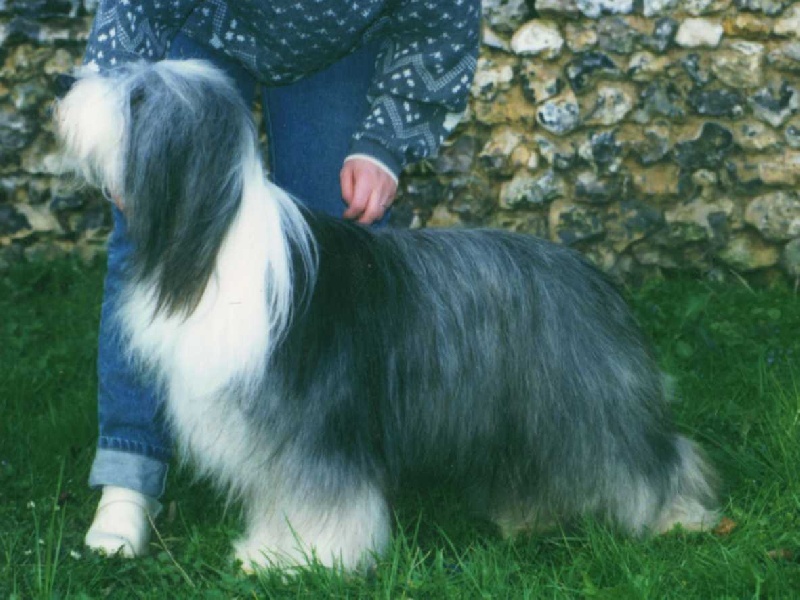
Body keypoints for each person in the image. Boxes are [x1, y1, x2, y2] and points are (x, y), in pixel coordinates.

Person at [80, 0, 481, 557]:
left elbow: (440, 19)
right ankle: (131, 477)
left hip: (337, 40)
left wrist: (384, 142)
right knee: (152, 233)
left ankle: (328, 495)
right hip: (201, 22)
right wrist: (118, 140)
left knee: (337, 262)